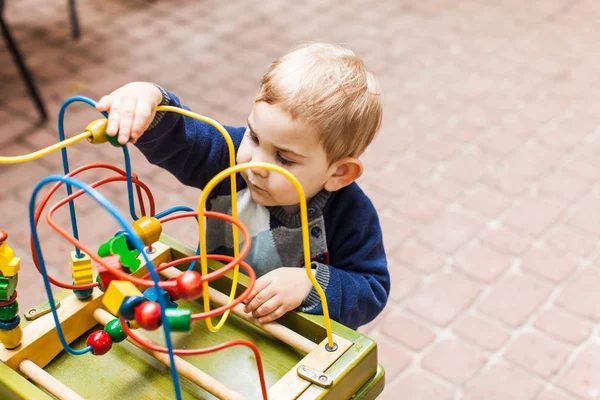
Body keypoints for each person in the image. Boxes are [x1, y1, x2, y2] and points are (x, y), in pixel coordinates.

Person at [96, 43, 389, 329]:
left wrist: (310, 284)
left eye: (284, 159)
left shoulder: (352, 215)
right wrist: (149, 102)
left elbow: (371, 288)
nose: (254, 164)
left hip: (290, 343)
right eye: (254, 136)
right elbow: (184, 140)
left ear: (339, 172)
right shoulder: (230, 157)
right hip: (212, 311)